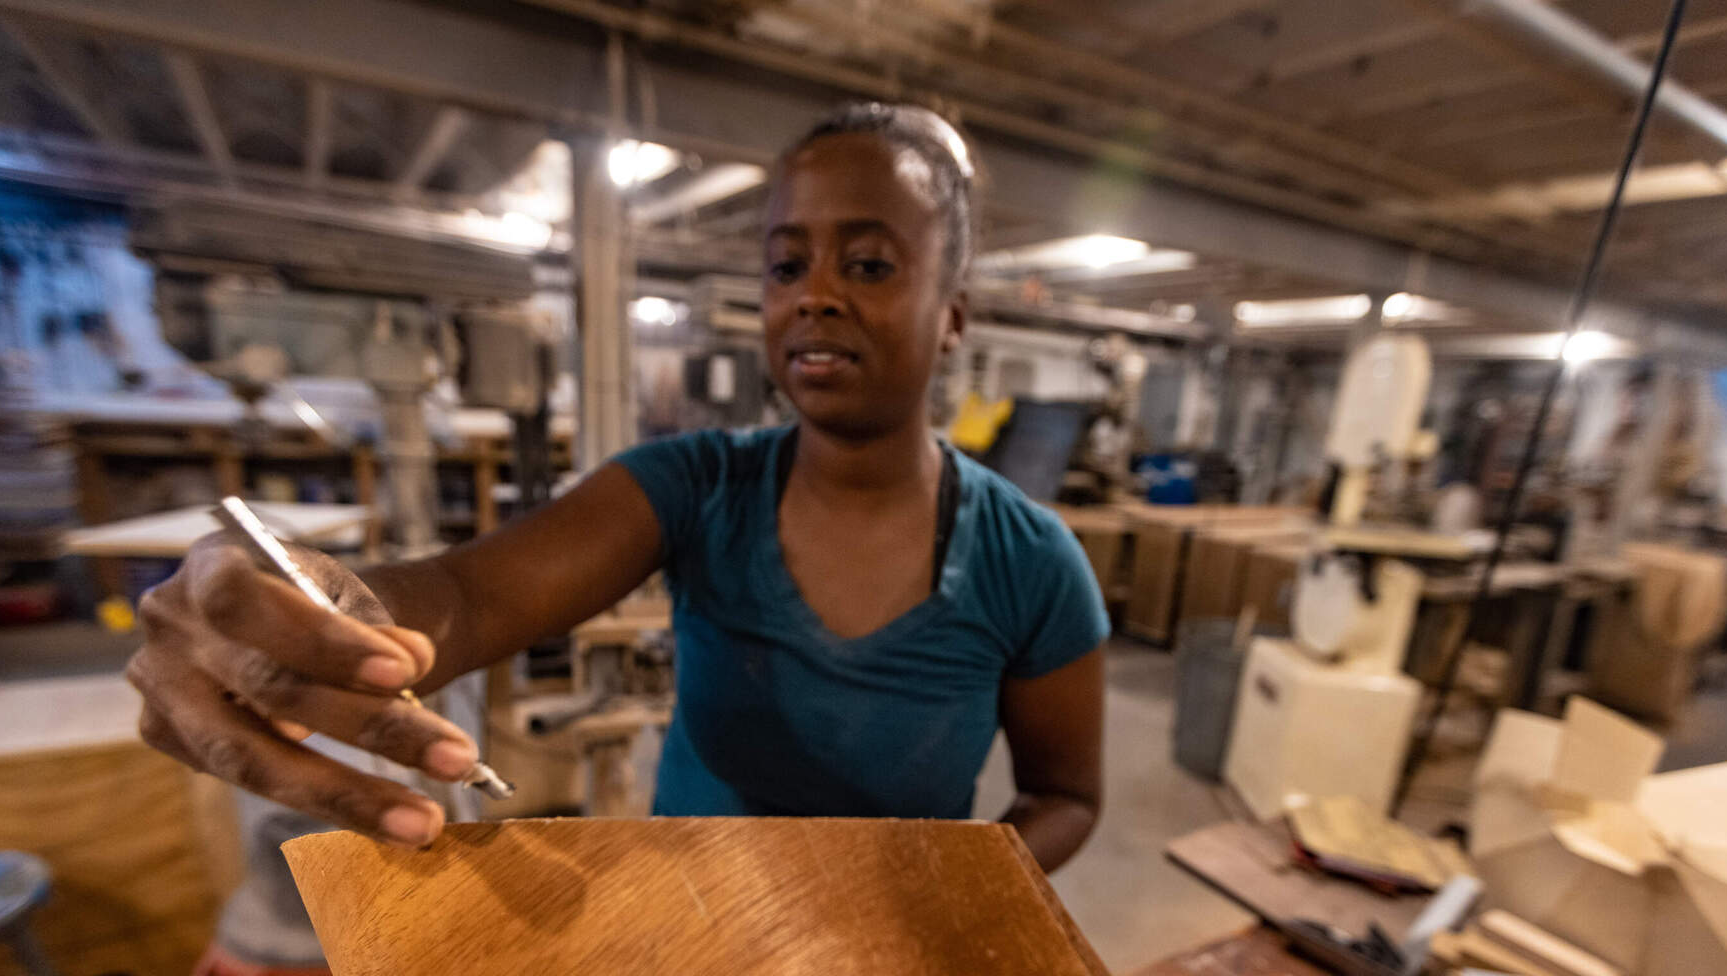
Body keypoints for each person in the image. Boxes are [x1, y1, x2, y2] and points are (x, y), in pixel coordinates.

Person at [127, 103, 1109, 872]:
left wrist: (955, 891)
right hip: (692, 921)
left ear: (952, 317)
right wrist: (311, 606)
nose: (814, 292)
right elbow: (471, 595)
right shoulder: (695, 487)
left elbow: (1067, 795)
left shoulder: (1031, 565)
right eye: (784, 262)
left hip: (887, 950)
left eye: (868, 262)